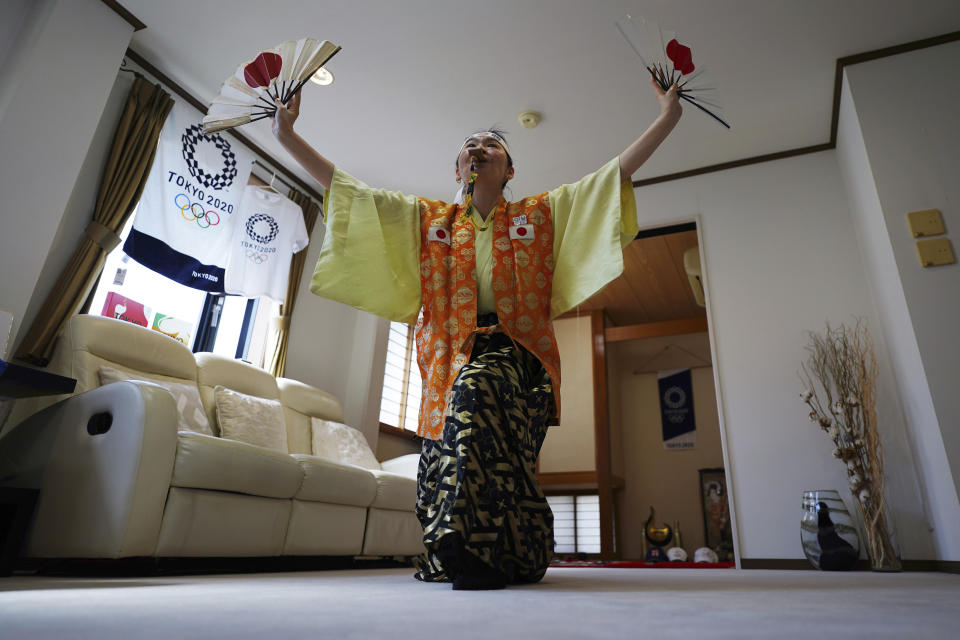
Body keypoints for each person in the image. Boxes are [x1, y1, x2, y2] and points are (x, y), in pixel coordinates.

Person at [271, 75, 682, 589]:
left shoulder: (539, 214)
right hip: (447, 354)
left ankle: (473, 552)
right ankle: (507, 553)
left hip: (516, 353)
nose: (478, 148)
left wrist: (667, 118)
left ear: (509, 170)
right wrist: (285, 136)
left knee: (474, 394)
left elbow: (610, 177)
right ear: (459, 168)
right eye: (470, 146)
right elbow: (351, 193)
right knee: (453, 448)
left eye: (492, 145)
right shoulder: (430, 221)